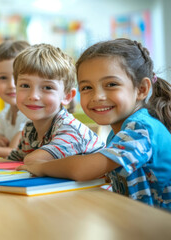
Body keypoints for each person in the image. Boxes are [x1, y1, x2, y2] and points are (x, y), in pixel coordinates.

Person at [18, 38, 171, 210]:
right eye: (87, 87)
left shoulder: (142, 129)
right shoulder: (118, 133)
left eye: (111, 84)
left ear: (142, 89)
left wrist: (42, 167)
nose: (97, 96)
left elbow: (82, 170)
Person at [8, 43, 105, 163]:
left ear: (67, 96)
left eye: (47, 87)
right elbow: (14, 161)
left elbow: (32, 160)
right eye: (25, 85)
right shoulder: (30, 129)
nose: (33, 96)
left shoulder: (69, 129)